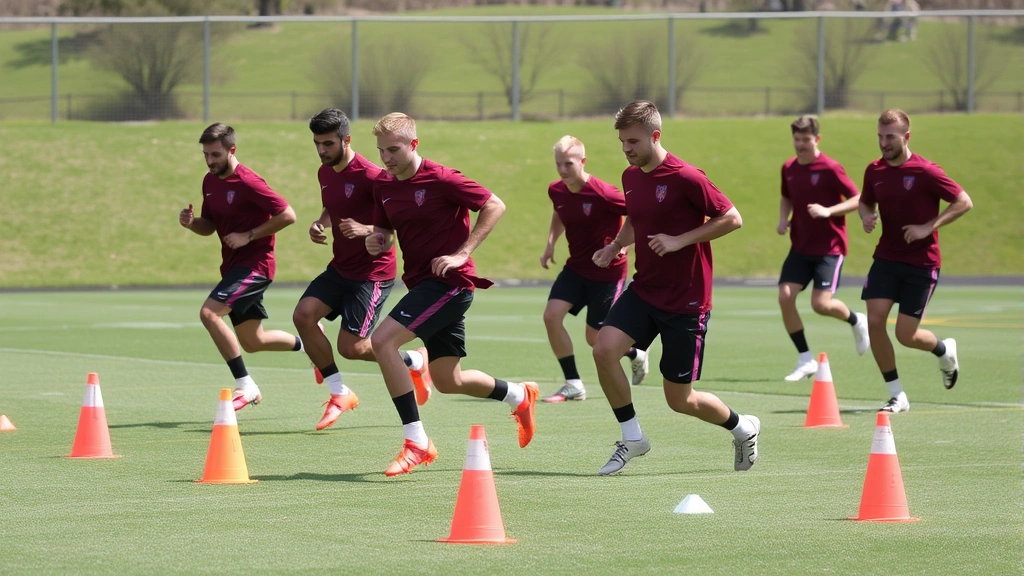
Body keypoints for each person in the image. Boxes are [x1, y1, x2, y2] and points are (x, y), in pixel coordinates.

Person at [590, 101, 760, 476]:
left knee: (679, 400)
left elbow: (732, 218)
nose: (626, 149)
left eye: (633, 141)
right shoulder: (630, 176)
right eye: (622, 142)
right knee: (603, 349)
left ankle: (742, 427)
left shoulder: (687, 177)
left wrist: (681, 240)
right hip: (645, 289)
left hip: (687, 300)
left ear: (655, 136)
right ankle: (632, 437)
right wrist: (616, 245)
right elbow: (636, 219)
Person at [365, 112, 538, 477]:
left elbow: (495, 204)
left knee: (382, 341)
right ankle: (519, 394)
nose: (386, 158)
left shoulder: (442, 178)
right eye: (381, 151)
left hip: (449, 286)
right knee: (448, 380)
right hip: (422, 285)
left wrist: (463, 252)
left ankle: (417, 443)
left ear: (413, 144)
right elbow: (384, 236)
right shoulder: (384, 185)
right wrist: (374, 241)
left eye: (393, 149)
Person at [292, 108, 433, 432]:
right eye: (317, 144)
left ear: (347, 140)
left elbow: (393, 227)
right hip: (340, 267)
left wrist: (368, 229)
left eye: (328, 143)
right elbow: (333, 204)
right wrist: (320, 223)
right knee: (302, 316)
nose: (322, 151)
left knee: (351, 348)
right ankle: (339, 392)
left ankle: (414, 361)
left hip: (372, 274)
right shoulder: (325, 172)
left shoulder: (374, 177)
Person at [178, 123, 302, 411]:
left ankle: (245, 385)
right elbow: (209, 227)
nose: (210, 161)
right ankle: (311, 342)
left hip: (255, 267)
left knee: (209, 313)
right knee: (252, 340)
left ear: (232, 151)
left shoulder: (248, 181)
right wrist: (191, 223)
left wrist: (249, 235)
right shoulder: (210, 182)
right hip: (234, 268)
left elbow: (288, 214)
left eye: (216, 155)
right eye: (206, 155)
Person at [859, 109, 972, 413]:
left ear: (906, 137)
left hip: (922, 263)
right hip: (886, 257)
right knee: (874, 319)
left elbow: (963, 201)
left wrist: (928, 227)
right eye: (880, 136)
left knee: (905, 335)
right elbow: (865, 200)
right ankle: (897, 394)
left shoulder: (926, 171)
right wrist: (866, 216)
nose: (884, 143)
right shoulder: (875, 170)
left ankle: (943, 349)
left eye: (890, 137)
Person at [540, 135, 648, 403]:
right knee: (551, 316)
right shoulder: (557, 189)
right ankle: (573, 384)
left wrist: (623, 245)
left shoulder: (604, 193)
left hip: (607, 273)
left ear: (583, 162)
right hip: (576, 267)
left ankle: (635, 354)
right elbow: (559, 212)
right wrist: (551, 243)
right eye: (558, 165)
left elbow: (639, 215)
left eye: (569, 164)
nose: (563, 171)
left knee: (595, 339)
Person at [777, 115, 869, 382]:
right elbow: (786, 196)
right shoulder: (789, 167)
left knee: (821, 304)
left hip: (830, 247)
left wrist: (828, 211)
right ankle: (805, 358)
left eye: (806, 140)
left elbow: (858, 198)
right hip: (800, 246)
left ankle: (855, 320)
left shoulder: (830, 167)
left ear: (817, 139)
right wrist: (783, 218)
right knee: (785, 296)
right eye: (797, 139)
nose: (801, 145)